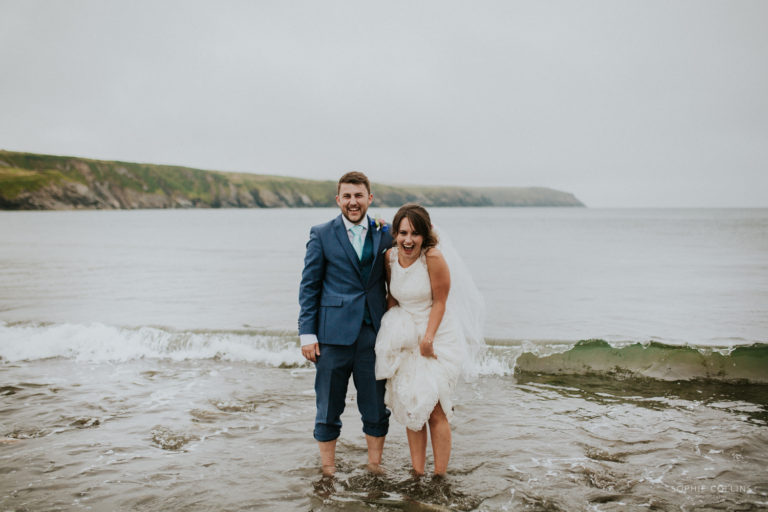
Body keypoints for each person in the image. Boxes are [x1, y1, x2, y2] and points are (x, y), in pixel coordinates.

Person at [375, 203, 481, 476]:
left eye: (414, 234)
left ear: (424, 235)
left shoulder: (433, 258)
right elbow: (393, 298)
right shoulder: (389, 258)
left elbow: (440, 302)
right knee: (412, 405)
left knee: (435, 408)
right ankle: (418, 472)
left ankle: (439, 475)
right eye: (402, 233)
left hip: (436, 336)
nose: (408, 240)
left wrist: (429, 338)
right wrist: (390, 335)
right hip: (405, 336)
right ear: (395, 235)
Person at [298, 171, 392, 476]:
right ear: (338, 199)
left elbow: (417, 245)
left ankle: (374, 467)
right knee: (327, 408)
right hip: (331, 337)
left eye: (359, 195)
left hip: (373, 337)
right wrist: (306, 333)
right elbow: (309, 286)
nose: (353, 202)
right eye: (347, 196)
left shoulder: (386, 232)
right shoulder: (321, 233)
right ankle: (328, 471)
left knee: (376, 408)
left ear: (370, 198)